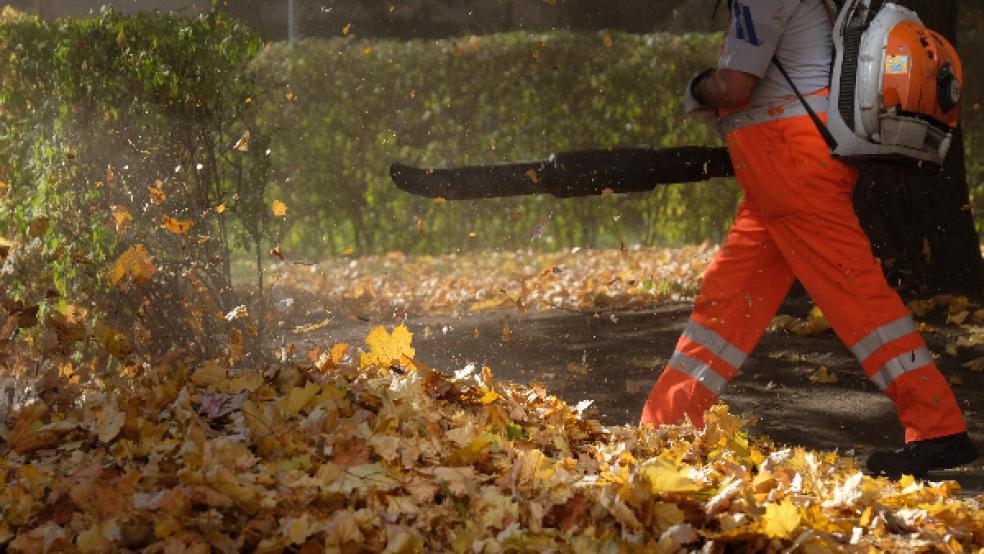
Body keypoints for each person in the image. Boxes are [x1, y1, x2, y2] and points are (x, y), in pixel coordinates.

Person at [638, 0, 978, 479]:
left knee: (858, 298)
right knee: (727, 300)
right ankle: (666, 423)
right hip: (783, 167)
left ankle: (938, 427)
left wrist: (696, 88)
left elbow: (734, 86)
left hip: (790, 165)